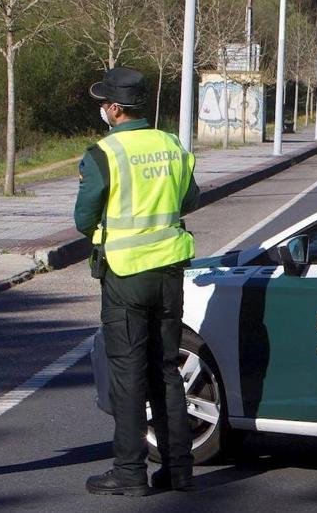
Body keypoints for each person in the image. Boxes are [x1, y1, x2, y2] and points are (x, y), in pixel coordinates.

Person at [75, 67, 200, 497]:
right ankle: (179, 469)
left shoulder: (103, 154)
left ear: (114, 108)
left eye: (103, 104)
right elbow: (191, 198)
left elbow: (82, 219)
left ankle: (130, 472)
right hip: (169, 272)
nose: (102, 111)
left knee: (128, 375)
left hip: (126, 275)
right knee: (166, 370)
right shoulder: (171, 146)